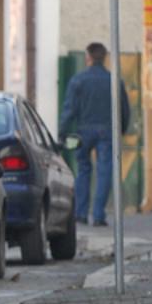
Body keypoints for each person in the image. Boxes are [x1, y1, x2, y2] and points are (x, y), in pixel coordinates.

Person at [58, 42, 130, 227]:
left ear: (88, 57)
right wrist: (121, 130)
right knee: (104, 171)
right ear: (104, 57)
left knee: (83, 169)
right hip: (107, 131)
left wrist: (62, 133)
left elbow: (69, 109)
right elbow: (124, 110)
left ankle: (81, 214)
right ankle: (99, 215)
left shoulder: (78, 80)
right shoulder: (114, 80)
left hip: (84, 131)